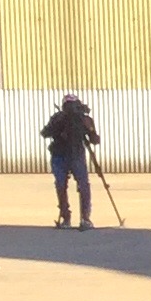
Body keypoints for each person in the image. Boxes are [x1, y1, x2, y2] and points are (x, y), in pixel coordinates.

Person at [41, 95, 99, 229]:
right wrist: (58, 126)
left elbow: (94, 140)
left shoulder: (84, 119)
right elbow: (45, 133)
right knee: (62, 185)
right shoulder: (58, 118)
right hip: (60, 155)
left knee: (82, 186)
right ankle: (66, 217)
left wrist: (89, 129)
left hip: (75, 155)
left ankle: (84, 218)